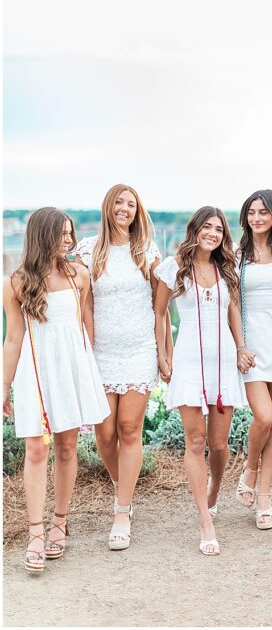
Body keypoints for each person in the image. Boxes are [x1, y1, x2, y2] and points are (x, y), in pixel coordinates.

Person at [3, 208, 109, 572]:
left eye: (70, 233)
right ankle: (35, 531)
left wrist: (87, 370)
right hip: (35, 372)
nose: (68, 240)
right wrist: (5, 386)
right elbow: (13, 338)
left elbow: (86, 323)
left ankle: (60, 522)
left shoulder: (79, 274)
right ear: (42, 235)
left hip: (71, 369)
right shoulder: (16, 282)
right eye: (62, 234)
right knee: (36, 448)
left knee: (66, 445)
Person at [154, 206, 249, 556]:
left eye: (219, 229)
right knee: (195, 442)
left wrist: (241, 348)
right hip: (189, 361)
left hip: (223, 362)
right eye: (207, 227)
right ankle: (204, 520)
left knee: (219, 444)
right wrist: (164, 354)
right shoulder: (173, 267)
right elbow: (160, 312)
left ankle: (214, 490)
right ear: (195, 229)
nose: (213, 233)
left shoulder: (227, 268)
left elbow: (234, 310)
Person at [74, 184, 164, 550]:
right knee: (104, 435)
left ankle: (122, 512)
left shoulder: (146, 251)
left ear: (137, 211)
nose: (124, 209)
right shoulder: (88, 250)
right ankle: (121, 484)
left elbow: (162, 302)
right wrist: (87, 351)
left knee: (129, 428)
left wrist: (164, 349)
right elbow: (85, 305)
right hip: (101, 352)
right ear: (108, 207)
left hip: (139, 349)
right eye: (119, 202)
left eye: (131, 204)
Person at [233, 190, 272, 530]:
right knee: (265, 416)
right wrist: (240, 346)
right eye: (252, 212)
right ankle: (251, 468)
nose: (257, 218)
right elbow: (231, 304)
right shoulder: (236, 255)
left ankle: (265, 497)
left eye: (263, 212)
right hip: (250, 348)